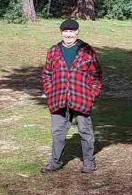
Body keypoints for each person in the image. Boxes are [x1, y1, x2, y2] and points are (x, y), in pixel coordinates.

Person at [40, 19, 103, 174]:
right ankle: (55, 162)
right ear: (61, 33)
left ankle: (89, 162)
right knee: (57, 132)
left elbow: (96, 75)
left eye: (72, 31)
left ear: (77, 32)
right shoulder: (53, 51)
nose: (68, 35)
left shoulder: (87, 51)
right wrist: (49, 91)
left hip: (81, 98)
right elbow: (46, 74)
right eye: (65, 31)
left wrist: (92, 95)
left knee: (85, 131)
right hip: (58, 98)